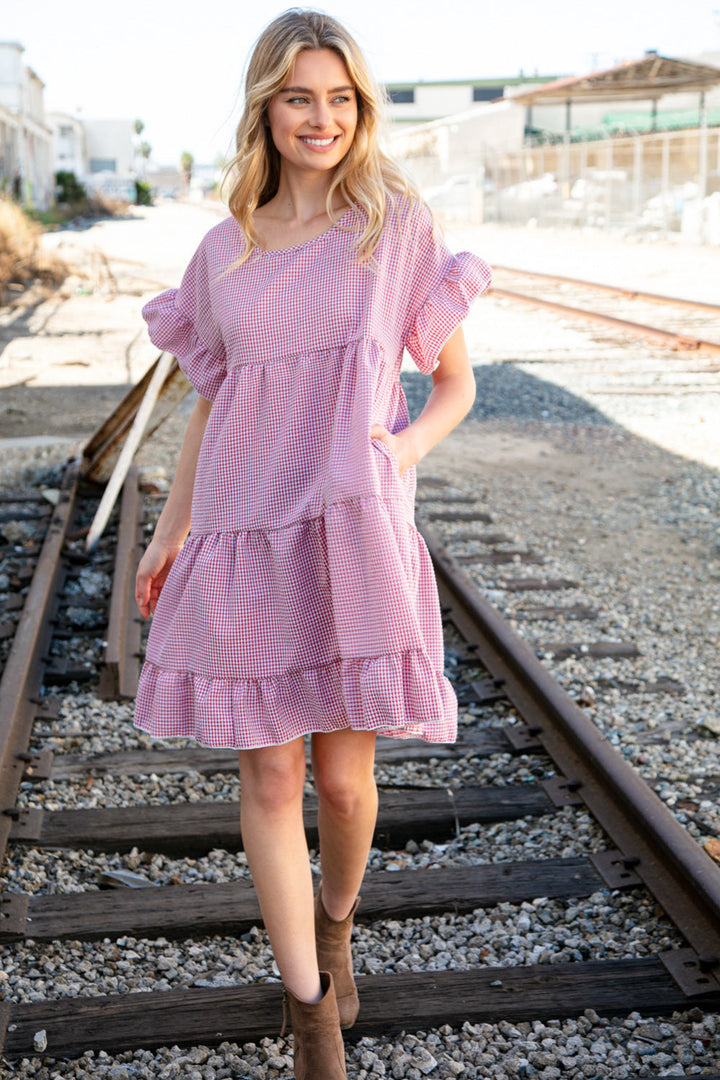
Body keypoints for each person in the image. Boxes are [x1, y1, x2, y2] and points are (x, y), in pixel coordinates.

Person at [134, 9, 491, 1077]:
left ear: (361, 109)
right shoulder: (224, 250)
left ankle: (336, 923)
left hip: (351, 530)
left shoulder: (396, 225)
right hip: (244, 534)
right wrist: (168, 531)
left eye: (340, 99)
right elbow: (211, 402)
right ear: (265, 109)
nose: (321, 118)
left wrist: (400, 449)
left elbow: (456, 384)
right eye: (299, 97)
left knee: (343, 786)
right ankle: (311, 1022)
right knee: (270, 784)